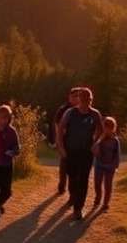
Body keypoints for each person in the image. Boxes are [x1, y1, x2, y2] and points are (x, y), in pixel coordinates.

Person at [56, 86, 103, 221]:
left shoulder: (95, 114)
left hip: (86, 152)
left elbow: (101, 131)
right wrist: (61, 148)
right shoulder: (70, 113)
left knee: (83, 180)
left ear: (91, 101)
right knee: (72, 178)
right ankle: (73, 196)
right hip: (71, 151)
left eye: (88, 100)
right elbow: (60, 130)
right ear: (79, 100)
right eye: (83, 100)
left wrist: (96, 143)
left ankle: (78, 208)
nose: (85, 103)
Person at [48, 86, 81, 195]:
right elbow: (57, 124)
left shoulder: (84, 109)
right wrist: (59, 140)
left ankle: (74, 189)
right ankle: (62, 185)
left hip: (78, 142)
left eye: (77, 96)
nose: (76, 98)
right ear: (70, 97)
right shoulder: (63, 110)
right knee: (64, 163)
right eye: (74, 96)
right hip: (65, 140)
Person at [92, 116, 121, 211]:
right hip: (99, 164)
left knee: (108, 185)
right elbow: (94, 149)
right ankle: (98, 198)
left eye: (109, 128)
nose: (107, 130)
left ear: (113, 128)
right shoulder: (99, 138)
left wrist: (115, 165)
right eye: (105, 128)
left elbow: (117, 154)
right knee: (97, 183)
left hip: (110, 166)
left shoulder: (115, 140)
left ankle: (106, 203)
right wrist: (100, 138)